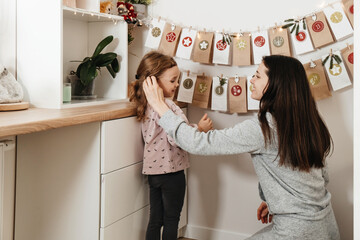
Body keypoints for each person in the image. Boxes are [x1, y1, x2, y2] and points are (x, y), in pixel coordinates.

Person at [142, 55, 340, 240]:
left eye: (257, 76)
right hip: (326, 225)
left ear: (274, 84)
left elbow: (197, 142)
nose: (251, 80)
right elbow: (323, 178)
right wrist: (277, 202)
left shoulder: (263, 128)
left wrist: (160, 106)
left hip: (297, 230)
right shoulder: (309, 121)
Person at [129, 51, 213, 240]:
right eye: (173, 80)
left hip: (153, 173)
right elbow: (179, 137)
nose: (177, 85)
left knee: (155, 219)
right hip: (172, 172)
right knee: (172, 218)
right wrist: (199, 128)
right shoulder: (169, 108)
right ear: (154, 83)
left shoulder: (145, 106)